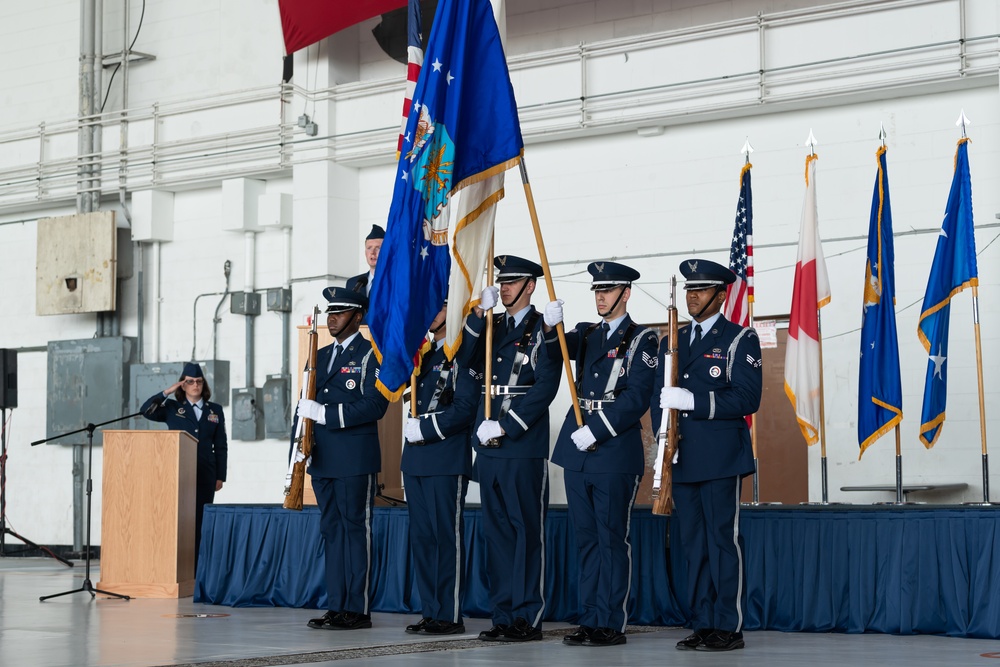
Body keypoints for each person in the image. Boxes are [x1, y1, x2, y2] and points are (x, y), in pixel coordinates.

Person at [542, 261, 659, 648]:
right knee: (586, 539)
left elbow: (637, 396)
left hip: (612, 448)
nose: (601, 296)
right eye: (596, 290)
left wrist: (596, 428)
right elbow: (554, 352)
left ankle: (611, 621)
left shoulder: (643, 340)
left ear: (625, 293)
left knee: (611, 538)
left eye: (608, 290)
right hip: (578, 450)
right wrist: (547, 326)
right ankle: (590, 617)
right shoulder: (586, 333)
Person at [650, 258, 762, 652]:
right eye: (688, 289)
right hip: (682, 457)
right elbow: (659, 399)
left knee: (721, 541)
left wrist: (694, 400)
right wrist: (663, 445)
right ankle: (701, 622)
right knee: (692, 543)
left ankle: (727, 626)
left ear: (720, 293)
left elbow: (749, 398)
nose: (692, 296)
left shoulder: (739, 339)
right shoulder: (672, 342)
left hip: (720, 457)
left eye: (700, 289)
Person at [456, 255, 560, 643]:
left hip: (521, 444)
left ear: (531, 285)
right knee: (496, 534)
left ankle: (526, 617)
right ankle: (502, 615)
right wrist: (476, 313)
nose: (505, 287)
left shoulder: (542, 326)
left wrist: (507, 424)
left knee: (525, 533)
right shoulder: (491, 324)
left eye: (513, 282)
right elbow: (462, 359)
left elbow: (546, 385)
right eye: (502, 282)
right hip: (489, 445)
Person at [295, 286, 389, 631]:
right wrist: (297, 446)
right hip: (322, 458)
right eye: (330, 313)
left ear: (358, 317)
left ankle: (357, 609)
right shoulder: (319, 354)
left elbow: (375, 405)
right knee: (332, 532)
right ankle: (336, 606)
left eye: (341, 312)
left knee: (354, 531)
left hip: (353, 458)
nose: (332, 318)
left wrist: (325, 414)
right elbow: (304, 404)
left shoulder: (370, 355)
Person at [401, 302, 479, 636]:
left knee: (447, 538)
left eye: (439, 304)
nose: (430, 310)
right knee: (423, 539)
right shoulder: (426, 355)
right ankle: (431, 610)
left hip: (445, 456)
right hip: (416, 458)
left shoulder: (464, 352)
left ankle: (449, 614)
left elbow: (465, 408)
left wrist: (427, 429)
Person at [140, 362, 227, 565]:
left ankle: (198, 566)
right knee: (178, 517)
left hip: (206, 472)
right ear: (183, 385)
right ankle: (176, 563)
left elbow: (221, 445)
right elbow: (146, 411)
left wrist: (220, 475)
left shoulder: (215, 410)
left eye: (198, 381)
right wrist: (166, 392)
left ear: (203, 384)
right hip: (178, 471)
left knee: (200, 519)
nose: (195, 385)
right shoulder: (172, 408)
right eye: (190, 382)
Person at [346, 224, 384, 297]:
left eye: (378, 248)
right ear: (365, 252)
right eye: (369, 248)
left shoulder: (396, 281)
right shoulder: (353, 283)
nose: (372, 252)